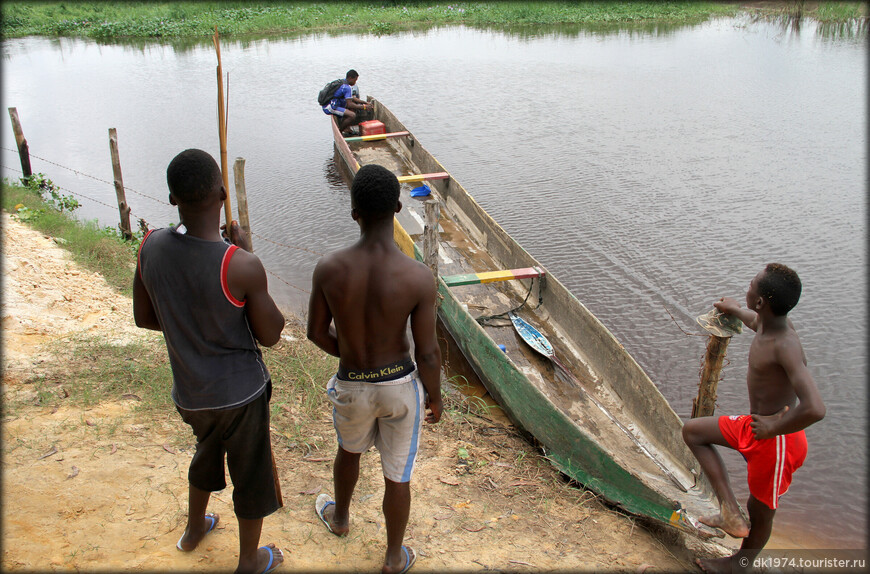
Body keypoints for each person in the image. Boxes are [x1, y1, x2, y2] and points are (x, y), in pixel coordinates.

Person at [133, 149, 286, 574]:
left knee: (205, 452)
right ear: (222, 193)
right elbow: (271, 334)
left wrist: (191, 329)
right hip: (240, 396)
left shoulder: (150, 245)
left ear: (171, 198)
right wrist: (250, 258)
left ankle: (194, 529)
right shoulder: (239, 264)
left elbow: (145, 317)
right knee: (250, 473)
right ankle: (249, 561)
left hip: (191, 394)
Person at [306, 163, 442, 574]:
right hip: (400, 386)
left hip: (352, 384)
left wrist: (352, 360)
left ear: (354, 212)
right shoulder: (418, 276)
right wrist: (435, 396)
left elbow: (315, 332)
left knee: (349, 452)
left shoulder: (329, 268)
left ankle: (341, 519)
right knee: (397, 476)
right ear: (398, 207)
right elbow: (429, 353)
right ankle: (392, 557)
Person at [682, 263, 825, 573]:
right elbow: (752, 320)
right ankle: (729, 512)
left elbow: (815, 407)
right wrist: (731, 307)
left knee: (761, 511)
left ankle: (741, 564)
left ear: (761, 301)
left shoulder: (786, 345)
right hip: (756, 426)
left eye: (750, 286)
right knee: (693, 432)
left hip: (779, 441)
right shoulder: (768, 324)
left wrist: (774, 427)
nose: (746, 288)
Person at [322, 69, 370, 136]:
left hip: (333, 104)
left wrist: (365, 102)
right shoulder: (347, 88)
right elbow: (350, 104)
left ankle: (347, 128)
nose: (355, 82)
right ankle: (340, 133)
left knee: (353, 108)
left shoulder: (343, 83)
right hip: (330, 107)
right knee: (352, 115)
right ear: (350, 78)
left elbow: (352, 99)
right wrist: (364, 107)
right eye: (355, 80)